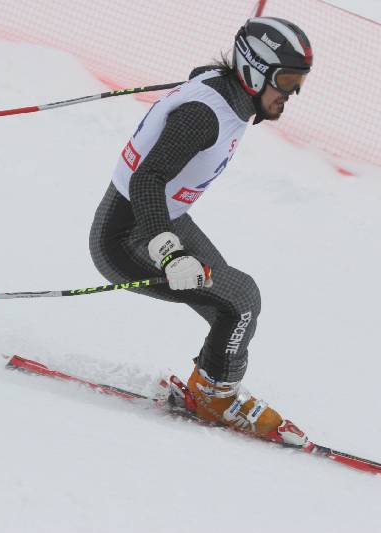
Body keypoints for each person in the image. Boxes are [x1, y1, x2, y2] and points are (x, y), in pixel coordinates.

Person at [89, 17, 313, 445]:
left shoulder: (223, 91)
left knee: (232, 306)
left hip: (162, 218)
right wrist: (170, 253)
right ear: (254, 71)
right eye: (286, 81)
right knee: (240, 299)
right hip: (126, 236)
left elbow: (202, 75)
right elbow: (146, 178)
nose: (292, 93)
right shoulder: (205, 116)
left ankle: (210, 387)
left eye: (299, 83)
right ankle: (215, 399)